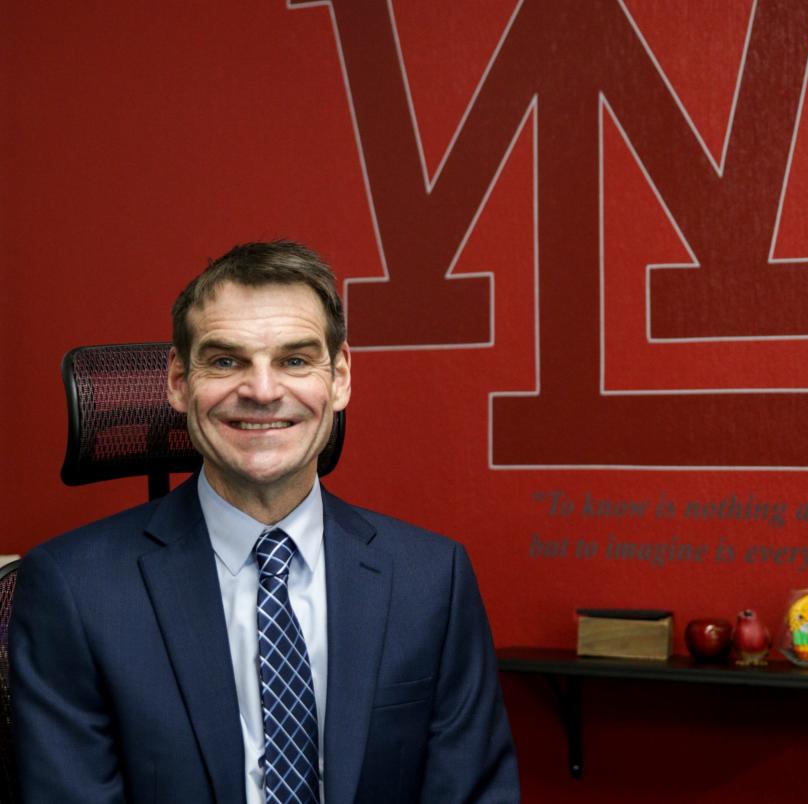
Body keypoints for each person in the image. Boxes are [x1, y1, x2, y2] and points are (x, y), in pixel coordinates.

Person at [11, 240, 519, 803]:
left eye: (295, 360)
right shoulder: (74, 587)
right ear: (179, 382)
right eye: (225, 361)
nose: (262, 390)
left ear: (340, 377)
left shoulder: (431, 579)